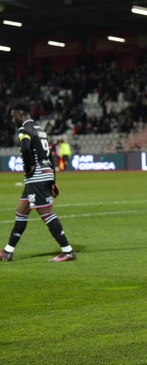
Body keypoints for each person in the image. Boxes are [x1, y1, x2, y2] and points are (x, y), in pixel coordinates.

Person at [1, 102, 76, 263]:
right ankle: (8, 251)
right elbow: (50, 156)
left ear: (20, 114)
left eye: (13, 115)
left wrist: (28, 169)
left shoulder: (24, 130)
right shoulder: (40, 130)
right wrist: (53, 180)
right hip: (44, 173)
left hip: (37, 176)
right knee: (21, 211)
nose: (12, 119)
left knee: (46, 213)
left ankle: (67, 250)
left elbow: (26, 149)